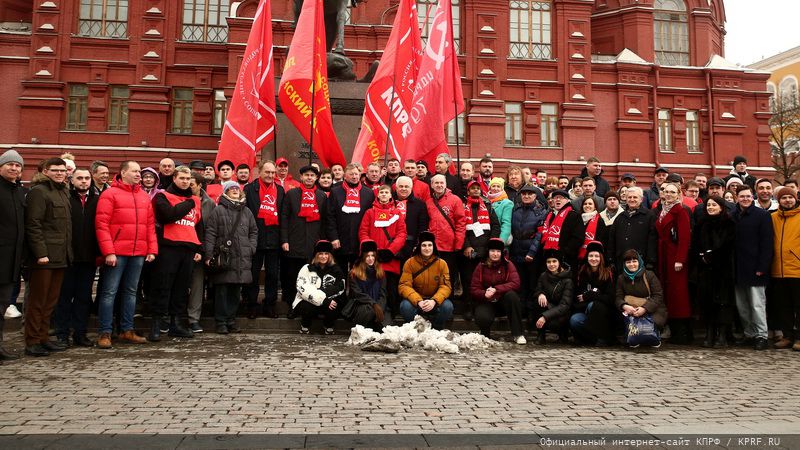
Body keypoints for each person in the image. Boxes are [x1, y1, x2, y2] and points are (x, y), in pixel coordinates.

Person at [94, 161, 158, 349]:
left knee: (131, 292)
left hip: (138, 252)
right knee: (109, 293)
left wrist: (152, 249)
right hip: (117, 253)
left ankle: (127, 329)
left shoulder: (143, 196)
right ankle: (105, 332)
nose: (139, 174)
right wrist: (109, 251)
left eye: (139, 171)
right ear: (123, 173)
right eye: (135, 171)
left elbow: (150, 226)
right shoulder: (110, 194)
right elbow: (102, 225)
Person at [23, 158, 73, 357]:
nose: (60, 173)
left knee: (50, 301)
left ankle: (43, 337)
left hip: (60, 255)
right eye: (55, 170)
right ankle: (32, 341)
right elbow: (33, 224)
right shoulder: (39, 192)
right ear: (45, 171)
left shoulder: (63, 191)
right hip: (44, 258)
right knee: (38, 301)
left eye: (62, 170)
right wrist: (40, 253)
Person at [149, 166, 204, 341]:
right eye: (182, 178)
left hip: (188, 249)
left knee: (181, 289)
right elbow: (168, 216)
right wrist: (189, 202)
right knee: (163, 286)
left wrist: (199, 248)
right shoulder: (163, 196)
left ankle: (176, 324)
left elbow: (198, 225)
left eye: (188, 179)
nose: (185, 182)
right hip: (168, 248)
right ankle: (157, 324)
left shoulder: (196, 200)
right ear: (174, 178)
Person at [53, 168, 99, 348]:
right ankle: (62, 334)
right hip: (68, 257)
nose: (84, 181)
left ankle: (80, 333)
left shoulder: (97, 200)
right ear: (72, 180)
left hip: (88, 258)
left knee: (83, 297)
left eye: (87, 178)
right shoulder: (65, 198)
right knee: (64, 298)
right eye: (80, 178)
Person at [204, 181, 257, 334]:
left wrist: (251, 248)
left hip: (241, 257)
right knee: (222, 291)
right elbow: (211, 233)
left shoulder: (247, 211)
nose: (235, 190)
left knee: (235, 292)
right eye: (231, 188)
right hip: (225, 257)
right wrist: (208, 254)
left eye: (237, 188)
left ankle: (231, 320)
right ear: (226, 192)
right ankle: (221, 322)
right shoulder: (218, 210)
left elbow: (254, 231)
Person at [281, 165, 327, 318]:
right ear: (301, 177)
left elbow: (325, 221)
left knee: (312, 279)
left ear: (316, 178)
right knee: (293, 277)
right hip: (294, 242)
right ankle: (292, 306)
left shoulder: (321, 196)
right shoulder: (291, 194)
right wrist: (284, 239)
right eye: (306, 175)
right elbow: (284, 218)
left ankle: (311, 307)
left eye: (312, 175)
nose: (309, 178)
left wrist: (321, 242)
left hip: (313, 244)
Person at [732, 185, 774, 351]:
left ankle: (761, 335)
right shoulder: (732, 215)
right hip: (738, 268)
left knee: (757, 304)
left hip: (756, 267)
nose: (745, 199)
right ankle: (749, 333)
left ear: (752, 197)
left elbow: (767, 243)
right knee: (742, 305)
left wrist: (763, 266)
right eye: (742, 196)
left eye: (748, 196)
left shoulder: (762, 215)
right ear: (737, 198)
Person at [358, 184, 407, 321]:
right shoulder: (370, 213)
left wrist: (391, 251)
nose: (384, 194)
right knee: (374, 288)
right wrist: (372, 252)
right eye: (382, 192)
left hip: (390, 257)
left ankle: (392, 315)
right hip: (373, 258)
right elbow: (363, 232)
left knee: (391, 288)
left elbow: (402, 234)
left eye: (386, 192)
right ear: (378, 195)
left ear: (391, 195)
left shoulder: (397, 213)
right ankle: (373, 315)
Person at [243, 160, 284, 319]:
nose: (270, 175)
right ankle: (251, 305)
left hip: (274, 239)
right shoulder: (249, 189)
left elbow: (283, 215)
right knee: (253, 274)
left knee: (272, 275)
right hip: (255, 239)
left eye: (273, 172)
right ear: (259, 172)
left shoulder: (280, 190)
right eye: (267, 172)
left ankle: (270, 305)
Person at [693, 196, 736, 348]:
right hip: (705, 270)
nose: (710, 207)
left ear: (721, 207)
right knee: (707, 302)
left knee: (723, 303)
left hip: (723, 270)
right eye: (708, 205)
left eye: (714, 205)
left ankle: (722, 335)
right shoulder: (701, 223)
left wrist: (712, 256)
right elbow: (695, 244)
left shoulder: (729, 223)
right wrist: (701, 256)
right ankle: (709, 334)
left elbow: (729, 246)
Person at [654, 181, 692, 344]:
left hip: (675, 256)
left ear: (678, 194)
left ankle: (682, 332)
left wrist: (680, 259)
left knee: (679, 294)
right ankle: (673, 329)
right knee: (669, 292)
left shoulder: (680, 210)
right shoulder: (663, 209)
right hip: (664, 254)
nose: (668, 194)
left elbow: (684, 237)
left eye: (672, 192)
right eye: (666, 191)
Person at [470, 238, 525, 344]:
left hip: (503, 301)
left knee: (512, 296)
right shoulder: (481, 266)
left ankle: (518, 334)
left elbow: (515, 283)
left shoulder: (508, 265)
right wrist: (484, 294)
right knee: (482, 317)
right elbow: (474, 288)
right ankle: (485, 335)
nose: (495, 254)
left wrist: (497, 289)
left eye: (498, 251)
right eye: (492, 251)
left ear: (502, 253)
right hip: (486, 301)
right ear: (488, 252)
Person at [461, 180, 500, 320]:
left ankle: (482, 308)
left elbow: (496, 226)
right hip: (469, 251)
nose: (476, 190)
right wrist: (466, 246)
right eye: (473, 188)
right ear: (468, 191)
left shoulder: (488, 207)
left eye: (478, 188)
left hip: (485, 250)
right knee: (468, 281)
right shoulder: (462, 206)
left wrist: (491, 246)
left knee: (484, 281)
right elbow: (460, 227)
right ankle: (468, 307)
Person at [398, 231, 453, 330]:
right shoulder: (409, 263)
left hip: (434, 299)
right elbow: (404, 286)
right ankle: (415, 328)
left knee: (447, 306)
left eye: (429, 245)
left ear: (433, 247)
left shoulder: (442, 264)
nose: (427, 248)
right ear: (419, 247)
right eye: (424, 245)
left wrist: (434, 301)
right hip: (416, 300)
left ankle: (437, 328)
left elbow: (445, 287)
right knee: (405, 306)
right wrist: (418, 301)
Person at [509, 184, 548, 325]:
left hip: (532, 254)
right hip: (516, 251)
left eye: (529, 194)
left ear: (535, 196)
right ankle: (521, 311)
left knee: (532, 284)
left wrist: (532, 252)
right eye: (524, 194)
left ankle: (532, 313)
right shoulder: (516, 209)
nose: (526, 196)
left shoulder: (541, 212)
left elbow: (540, 234)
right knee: (519, 283)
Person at [0, 150, 25, 361]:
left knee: (2, 306)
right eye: (10, 164)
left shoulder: (19, 191)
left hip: (11, 261)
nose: (14, 168)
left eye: (17, 165)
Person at [292, 240, 346, 334]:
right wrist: (322, 299)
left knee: (333, 305)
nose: (323, 256)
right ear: (316, 255)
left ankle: (328, 325)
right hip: (309, 301)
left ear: (330, 255)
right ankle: (305, 325)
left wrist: (325, 299)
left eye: (326, 253)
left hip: (328, 300)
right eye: (321, 253)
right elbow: (303, 288)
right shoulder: (307, 268)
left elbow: (340, 287)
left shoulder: (336, 269)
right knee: (306, 306)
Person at [615, 249, 667, 347]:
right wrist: (624, 306)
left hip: (651, 309)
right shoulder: (621, 278)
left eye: (634, 261)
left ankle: (654, 336)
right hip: (631, 310)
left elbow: (658, 295)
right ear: (624, 264)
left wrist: (644, 308)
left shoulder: (649, 275)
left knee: (651, 329)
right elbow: (618, 297)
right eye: (628, 262)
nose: (632, 264)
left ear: (639, 261)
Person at [328, 163, 375, 269]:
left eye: (356, 174)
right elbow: (330, 216)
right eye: (351, 174)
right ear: (345, 176)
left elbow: (371, 218)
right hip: (340, 239)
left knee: (359, 273)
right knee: (340, 271)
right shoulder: (335, 192)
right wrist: (334, 237)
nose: (354, 177)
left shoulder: (368, 193)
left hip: (359, 240)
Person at [570, 241, 616, 346]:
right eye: (591, 256)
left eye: (596, 256)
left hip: (604, 314)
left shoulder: (608, 273)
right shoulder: (581, 273)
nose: (593, 259)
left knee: (594, 305)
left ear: (601, 258)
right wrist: (591, 296)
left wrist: (590, 296)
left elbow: (610, 298)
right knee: (574, 320)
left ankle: (603, 338)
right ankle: (591, 339)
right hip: (585, 309)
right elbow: (578, 298)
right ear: (587, 257)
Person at [427, 174, 466, 298]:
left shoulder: (455, 200)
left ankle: (449, 302)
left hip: (450, 246)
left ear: (445, 184)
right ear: (432, 185)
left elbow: (461, 223)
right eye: (436, 183)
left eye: (441, 183)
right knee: (433, 277)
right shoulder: (428, 202)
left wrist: (458, 243)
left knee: (448, 277)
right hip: (433, 247)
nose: (439, 185)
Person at [770, 186, 800, 350]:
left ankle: (799, 337)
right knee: (783, 306)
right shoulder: (773, 217)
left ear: (795, 198)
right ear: (779, 200)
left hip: (797, 269)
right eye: (784, 198)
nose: (787, 200)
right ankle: (787, 336)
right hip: (778, 269)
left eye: (790, 197)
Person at [187, 172, 216, 332]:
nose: (188, 186)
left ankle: (193, 319)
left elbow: (210, 229)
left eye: (191, 184)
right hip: (182, 248)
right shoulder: (179, 199)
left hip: (200, 250)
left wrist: (206, 251)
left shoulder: (209, 203)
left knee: (197, 286)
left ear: (199, 185)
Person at [608, 186, 658, 271]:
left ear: (641, 199)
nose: (632, 199)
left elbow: (652, 241)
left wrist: (651, 261)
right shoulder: (620, 217)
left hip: (641, 262)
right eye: (629, 197)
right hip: (621, 262)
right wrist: (611, 259)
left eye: (635, 197)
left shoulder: (649, 216)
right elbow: (612, 239)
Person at [343, 240, 387, 332]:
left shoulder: (381, 272)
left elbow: (383, 294)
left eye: (372, 255)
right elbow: (357, 294)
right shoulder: (354, 273)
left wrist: (380, 307)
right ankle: (362, 330)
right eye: (367, 256)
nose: (370, 258)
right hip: (361, 305)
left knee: (386, 326)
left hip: (377, 304)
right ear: (363, 257)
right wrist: (374, 304)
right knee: (368, 310)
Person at [532, 249, 573, 344]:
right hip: (548, 307)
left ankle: (563, 335)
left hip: (562, 313)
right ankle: (541, 336)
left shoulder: (568, 280)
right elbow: (537, 289)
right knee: (537, 302)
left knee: (556, 321)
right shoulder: (543, 276)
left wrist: (545, 317)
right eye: (548, 262)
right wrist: (540, 294)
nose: (551, 264)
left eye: (554, 261)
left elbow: (564, 306)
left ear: (559, 263)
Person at [539, 189, 583, 271]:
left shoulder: (574, 215)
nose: (558, 199)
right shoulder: (550, 215)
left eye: (561, 197)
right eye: (555, 198)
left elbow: (578, 238)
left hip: (566, 259)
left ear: (567, 200)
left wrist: (564, 252)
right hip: (549, 257)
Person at [394, 176, 430, 270]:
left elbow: (422, 227)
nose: (403, 189)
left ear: (411, 188)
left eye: (406, 186)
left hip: (410, 245)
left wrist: (418, 245)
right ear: (396, 188)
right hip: (391, 245)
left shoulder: (420, 204)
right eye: (401, 186)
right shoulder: (390, 203)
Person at [577, 197, 608, 261]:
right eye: (585, 204)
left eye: (590, 204)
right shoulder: (577, 219)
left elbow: (602, 240)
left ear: (595, 207)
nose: (587, 205)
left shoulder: (600, 221)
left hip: (593, 257)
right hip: (577, 255)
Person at [488, 177, 514, 245]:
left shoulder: (507, 203)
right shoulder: (486, 201)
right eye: (493, 186)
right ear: (490, 188)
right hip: (487, 237)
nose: (495, 188)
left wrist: (501, 241)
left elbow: (506, 224)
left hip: (499, 237)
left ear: (502, 189)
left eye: (498, 186)